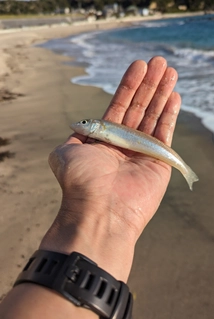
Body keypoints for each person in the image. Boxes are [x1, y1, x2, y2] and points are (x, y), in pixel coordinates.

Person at [0, 56, 181, 319]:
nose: (82, 126)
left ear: (97, 127)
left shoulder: (103, 128)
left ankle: (184, 169)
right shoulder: (97, 135)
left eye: (85, 124)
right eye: (85, 124)